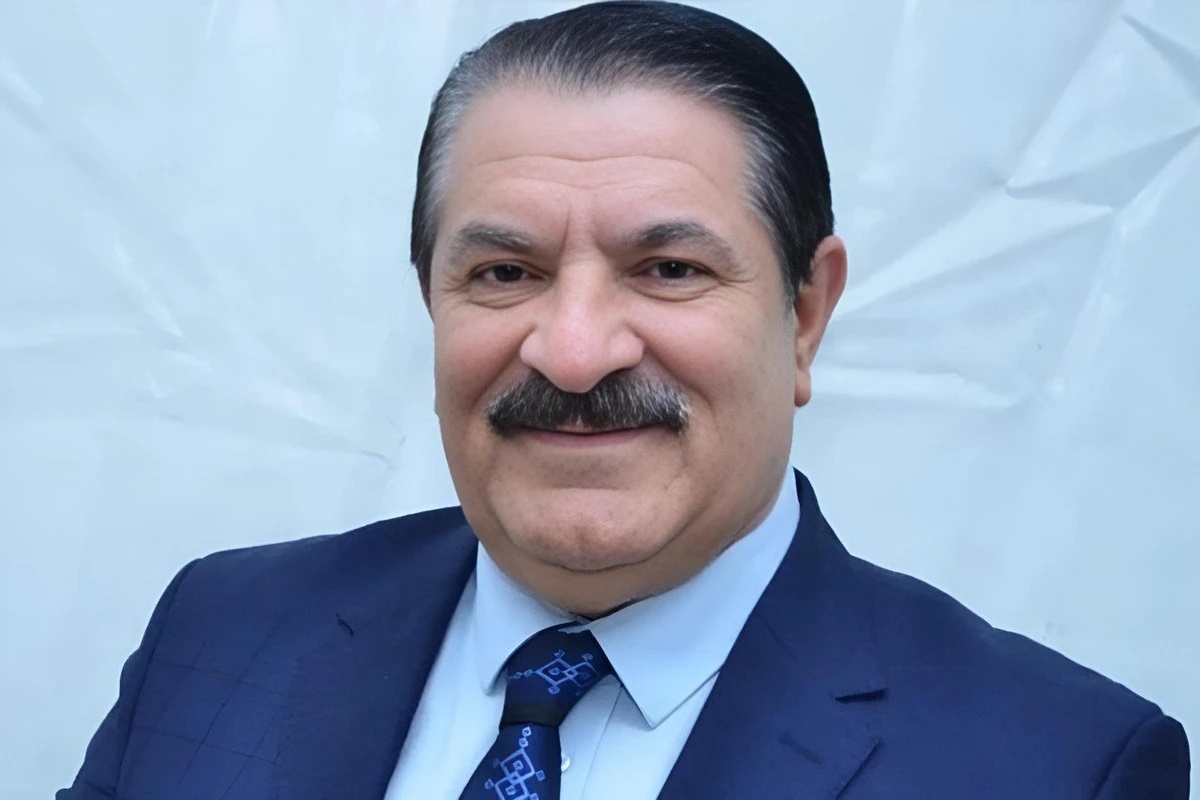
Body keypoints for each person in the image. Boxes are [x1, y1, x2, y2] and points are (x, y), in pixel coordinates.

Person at [59, 2, 1189, 798]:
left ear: (804, 314)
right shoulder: (221, 631)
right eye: (505, 272)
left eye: (669, 268)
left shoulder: (1059, 764)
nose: (573, 352)